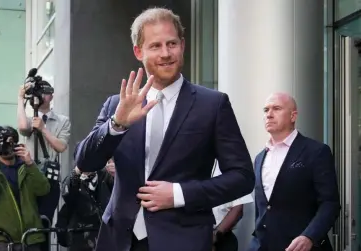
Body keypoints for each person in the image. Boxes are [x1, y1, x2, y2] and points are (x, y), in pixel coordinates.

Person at [74, 7, 255, 251]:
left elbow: (242, 178)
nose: (166, 53)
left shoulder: (213, 104)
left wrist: (180, 194)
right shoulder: (118, 105)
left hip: (183, 240)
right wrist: (117, 124)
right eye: (155, 46)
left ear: (183, 45)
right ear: (139, 51)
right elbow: (85, 162)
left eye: (172, 44)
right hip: (119, 240)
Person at [249, 93, 341, 251]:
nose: (269, 115)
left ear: (293, 116)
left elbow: (330, 203)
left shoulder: (316, 151)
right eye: (266, 110)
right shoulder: (259, 158)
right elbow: (262, 207)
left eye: (276, 109)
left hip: (302, 246)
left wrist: (310, 236)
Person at [0, 126, 50, 251]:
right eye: (3, 143)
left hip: (30, 238)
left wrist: (30, 164)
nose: (7, 147)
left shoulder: (27, 168)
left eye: (11, 142)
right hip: (2, 240)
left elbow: (44, 190)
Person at [17, 81, 71, 222]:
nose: (41, 95)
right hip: (30, 174)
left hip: (50, 178)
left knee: (45, 221)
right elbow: (22, 127)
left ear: (51, 96)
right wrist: (20, 98)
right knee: (29, 219)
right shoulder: (30, 119)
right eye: (38, 92)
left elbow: (61, 147)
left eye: (44, 92)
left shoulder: (63, 121)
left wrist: (43, 128)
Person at [56, 162, 114, 251]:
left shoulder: (106, 175)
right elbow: (66, 193)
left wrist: (116, 175)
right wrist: (77, 171)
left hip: (104, 233)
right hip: (79, 235)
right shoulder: (76, 177)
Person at [211, 162, 253, 251]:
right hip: (191, 236)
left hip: (222, 237)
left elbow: (238, 209)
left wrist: (214, 237)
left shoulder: (234, 168)